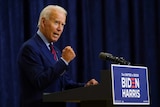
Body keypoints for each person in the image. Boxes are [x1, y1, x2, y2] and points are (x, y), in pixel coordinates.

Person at [17, 5, 98, 107]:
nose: (60, 29)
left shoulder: (56, 51)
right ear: (43, 22)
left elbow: (64, 83)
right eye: (56, 22)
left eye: (63, 24)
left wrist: (85, 86)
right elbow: (39, 81)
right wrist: (64, 61)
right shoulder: (29, 48)